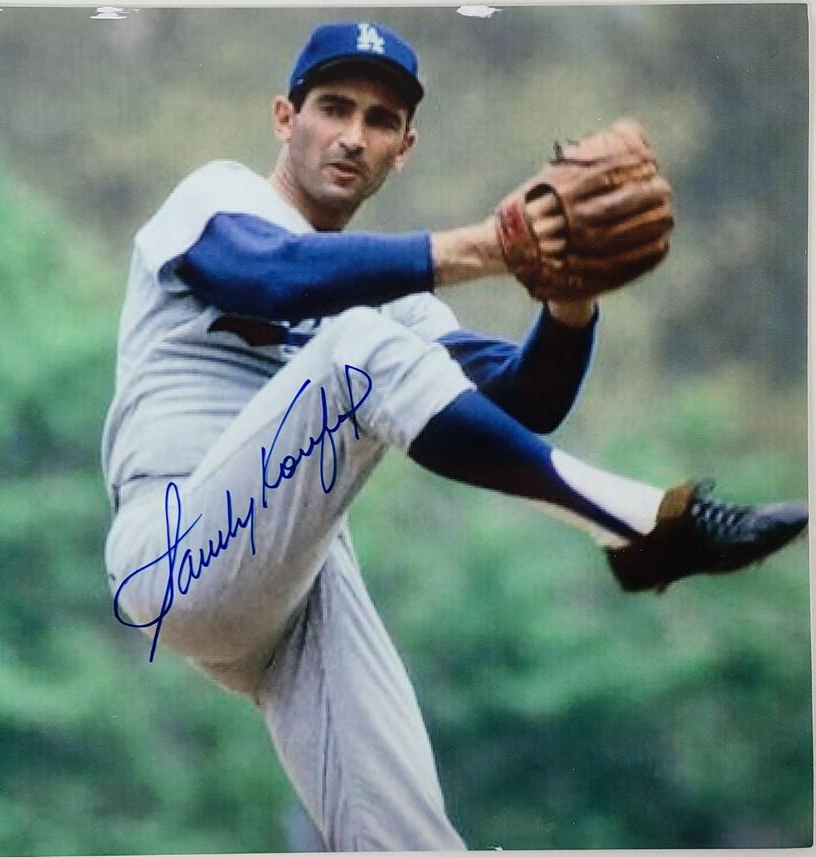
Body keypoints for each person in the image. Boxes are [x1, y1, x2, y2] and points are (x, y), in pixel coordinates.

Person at [100, 21, 807, 850]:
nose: (353, 135)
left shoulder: (390, 303)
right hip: (173, 549)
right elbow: (273, 273)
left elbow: (521, 403)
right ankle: (638, 523)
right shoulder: (218, 198)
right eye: (333, 108)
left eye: (380, 120)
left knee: (412, 841)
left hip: (292, 592)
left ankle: (636, 527)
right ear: (285, 119)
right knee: (356, 347)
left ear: (405, 147)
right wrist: (486, 248)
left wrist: (569, 299)